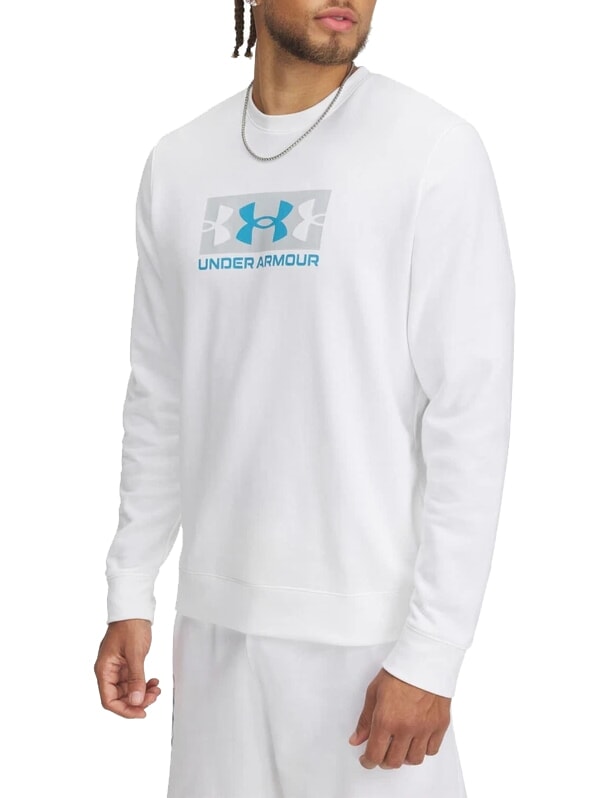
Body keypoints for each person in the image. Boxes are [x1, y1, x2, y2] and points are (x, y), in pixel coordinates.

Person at [93, 1, 515, 796]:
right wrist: (130, 589)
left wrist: (431, 654)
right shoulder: (180, 163)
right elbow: (159, 395)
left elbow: (470, 414)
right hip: (213, 629)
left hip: (369, 640)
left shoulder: (431, 148)